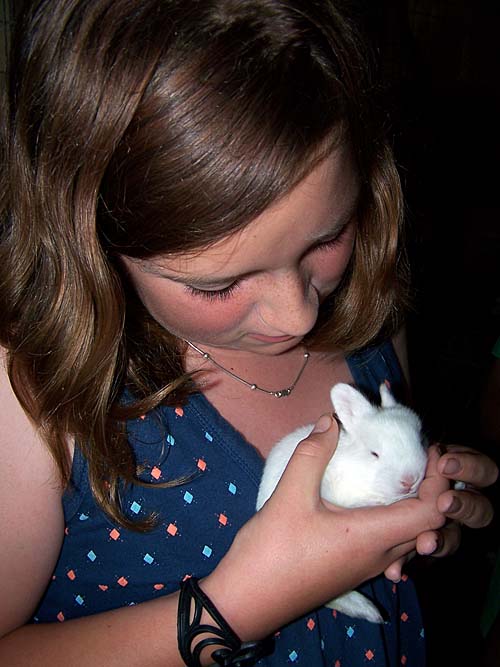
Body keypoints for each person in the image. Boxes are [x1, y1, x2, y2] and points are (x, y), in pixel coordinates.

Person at [0, 1, 497, 665]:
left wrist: (423, 522)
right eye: (216, 284)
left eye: (329, 235)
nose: (298, 315)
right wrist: (233, 607)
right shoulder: (31, 392)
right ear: (91, 236)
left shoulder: (365, 313)